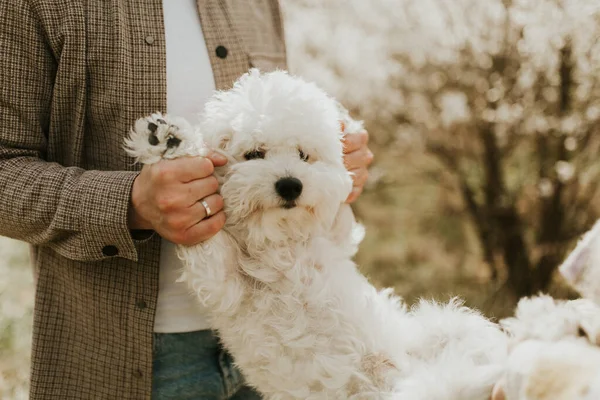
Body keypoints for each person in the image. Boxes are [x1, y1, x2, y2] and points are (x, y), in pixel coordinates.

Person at [0, 0, 373, 398]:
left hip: (302, 345)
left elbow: (289, 124)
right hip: (133, 358)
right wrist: (128, 203)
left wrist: (338, 158)